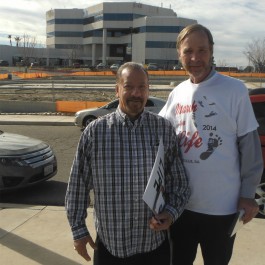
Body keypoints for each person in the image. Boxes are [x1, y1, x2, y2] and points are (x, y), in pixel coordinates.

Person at [65, 62, 190, 265]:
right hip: (110, 247)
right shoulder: (95, 133)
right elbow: (77, 187)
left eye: (142, 87)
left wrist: (170, 213)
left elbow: (179, 184)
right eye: (128, 86)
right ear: (117, 90)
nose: (136, 93)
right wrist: (78, 231)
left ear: (148, 89)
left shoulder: (163, 130)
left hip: (153, 246)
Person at [159, 24, 264, 265]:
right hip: (180, 207)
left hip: (222, 209)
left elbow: (250, 149)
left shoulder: (235, 90)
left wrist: (247, 195)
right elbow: (161, 141)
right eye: (188, 51)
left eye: (202, 50)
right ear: (179, 54)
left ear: (212, 51)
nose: (195, 58)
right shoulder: (177, 93)